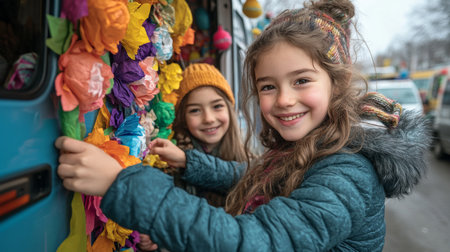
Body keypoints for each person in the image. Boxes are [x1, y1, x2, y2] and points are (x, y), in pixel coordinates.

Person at [55, 0, 431, 251]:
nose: (283, 99)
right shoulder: (303, 149)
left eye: (301, 80)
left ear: (337, 85)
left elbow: (254, 241)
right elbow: (249, 175)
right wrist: (189, 163)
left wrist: (121, 185)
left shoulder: (346, 170)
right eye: (268, 86)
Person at [137, 63, 247, 251]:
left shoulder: (248, 160)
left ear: (230, 108)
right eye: (195, 110)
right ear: (182, 117)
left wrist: (188, 161)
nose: (209, 118)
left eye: (217, 106)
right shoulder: (168, 165)